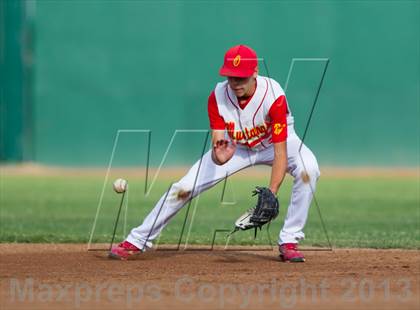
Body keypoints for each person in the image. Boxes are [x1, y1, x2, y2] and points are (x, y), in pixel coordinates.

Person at [109, 44, 320, 262]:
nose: (235, 83)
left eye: (241, 78)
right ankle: (136, 240)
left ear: (255, 73)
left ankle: (289, 240)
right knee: (182, 188)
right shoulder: (217, 97)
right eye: (231, 77)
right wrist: (220, 157)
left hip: (277, 143)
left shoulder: (273, 96)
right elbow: (219, 150)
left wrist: (272, 192)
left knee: (309, 170)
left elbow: (280, 152)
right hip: (237, 147)